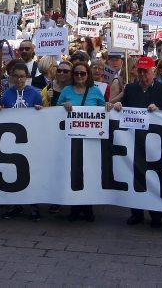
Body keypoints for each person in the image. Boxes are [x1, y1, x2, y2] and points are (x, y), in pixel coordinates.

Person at [111, 56, 162, 228]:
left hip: (156, 143)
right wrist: (118, 106)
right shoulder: (131, 88)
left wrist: (159, 109)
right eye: (139, 71)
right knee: (135, 176)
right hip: (134, 141)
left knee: (155, 178)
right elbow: (122, 106)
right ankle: (136, 212)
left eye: (145, 71)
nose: (142, 74)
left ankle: (156, 215)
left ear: (153, 71)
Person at [57, 61, 107, 222]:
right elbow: (56, 110)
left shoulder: (95, 91)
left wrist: (112, 106)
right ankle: (75, 207)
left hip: (91, 141)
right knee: (73, 173)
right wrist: (64, 106)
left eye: (83, 73)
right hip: (71, 140)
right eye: (76, 73)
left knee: (89, 173)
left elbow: (104, 110)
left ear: (88, 75)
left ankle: (88, 207)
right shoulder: (66, 90)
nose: (79, 76)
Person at [0, 63, 43, 220]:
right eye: (16, 76)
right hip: (11, 141)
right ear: (11, 77)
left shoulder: (35, 94)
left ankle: (33, 205)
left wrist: (40, 110)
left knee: (30, 172)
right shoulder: (6, 94)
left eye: (22, 76)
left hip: (30, 139)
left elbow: (43, 114)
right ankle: (15, 205)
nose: (19, 79)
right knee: (12, 172)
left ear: (27, 77)